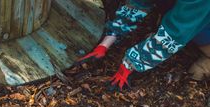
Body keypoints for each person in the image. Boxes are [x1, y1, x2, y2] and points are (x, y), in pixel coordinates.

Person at [77, 0, 210, 91]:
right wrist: (108, 40)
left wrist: (133, 62)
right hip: (189, 12)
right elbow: (139, 2)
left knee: (195, 73)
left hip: (199, 16)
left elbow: (176, 32)